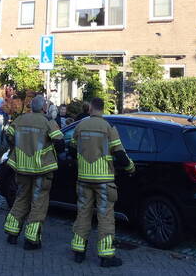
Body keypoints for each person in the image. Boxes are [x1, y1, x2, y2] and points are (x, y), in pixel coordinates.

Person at [70, 96, 134, 268]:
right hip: (104, 180)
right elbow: (120, 154)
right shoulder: (108, 127)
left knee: (83, 213)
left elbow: (72, 145)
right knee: (105, 216)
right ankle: (106, 256)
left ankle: (78, 251)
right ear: (103, 109)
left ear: (90, 108)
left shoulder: (80, 125)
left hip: (84, 178)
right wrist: (130, 168)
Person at [3, 94, 63, 249]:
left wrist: (16, 147)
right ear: (44, 108)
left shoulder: (20, 120)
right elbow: (60, 142)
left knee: (21, 198)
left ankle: (12, 233)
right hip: (41, 170)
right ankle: (31, 240)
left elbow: (8, 135)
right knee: (38, 203)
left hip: (22, 168)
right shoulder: (48, 122)